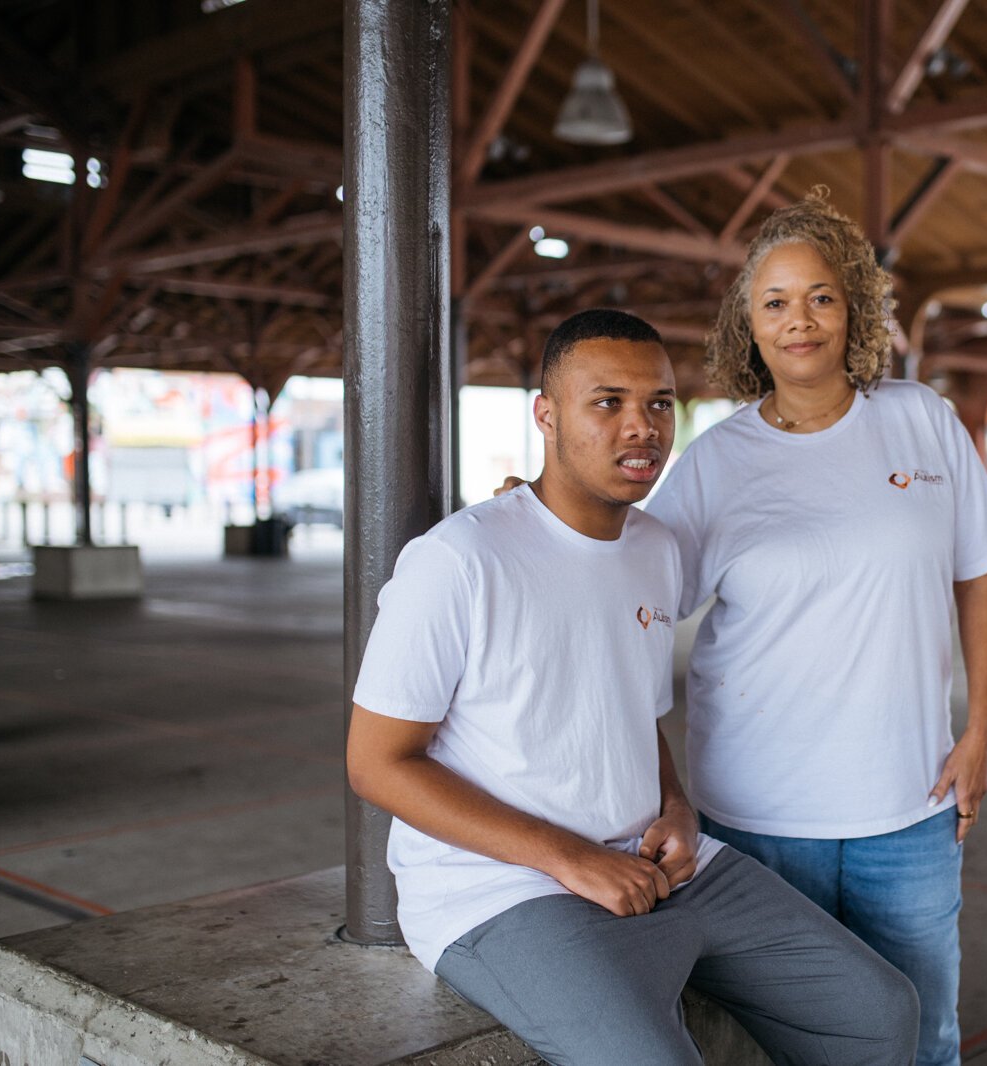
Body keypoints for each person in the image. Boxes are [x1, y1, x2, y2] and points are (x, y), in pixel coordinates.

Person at [501, 194, 987, 1065]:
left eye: (819, 295)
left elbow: (980, 580)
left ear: (852, 304)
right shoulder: (715, 462)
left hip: (909, 806)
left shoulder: (920, 420)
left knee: (924, 1032)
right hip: (759, 815)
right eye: (774, 302)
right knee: (777, 1041)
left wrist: (980, 732)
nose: (798, 320)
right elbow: (628, 570)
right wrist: (535, 518)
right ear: (748, 323)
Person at [349, 308, 919, 1066]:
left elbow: (631, 713)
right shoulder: (459, 560)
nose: (641, 426)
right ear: (546, 415)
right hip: (501, 891)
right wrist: (567, 857)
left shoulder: (654, 548)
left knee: (877, 1011)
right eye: (607, 402)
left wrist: (676, 809)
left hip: (658, 868)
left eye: (658, 403)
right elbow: (378, 762)